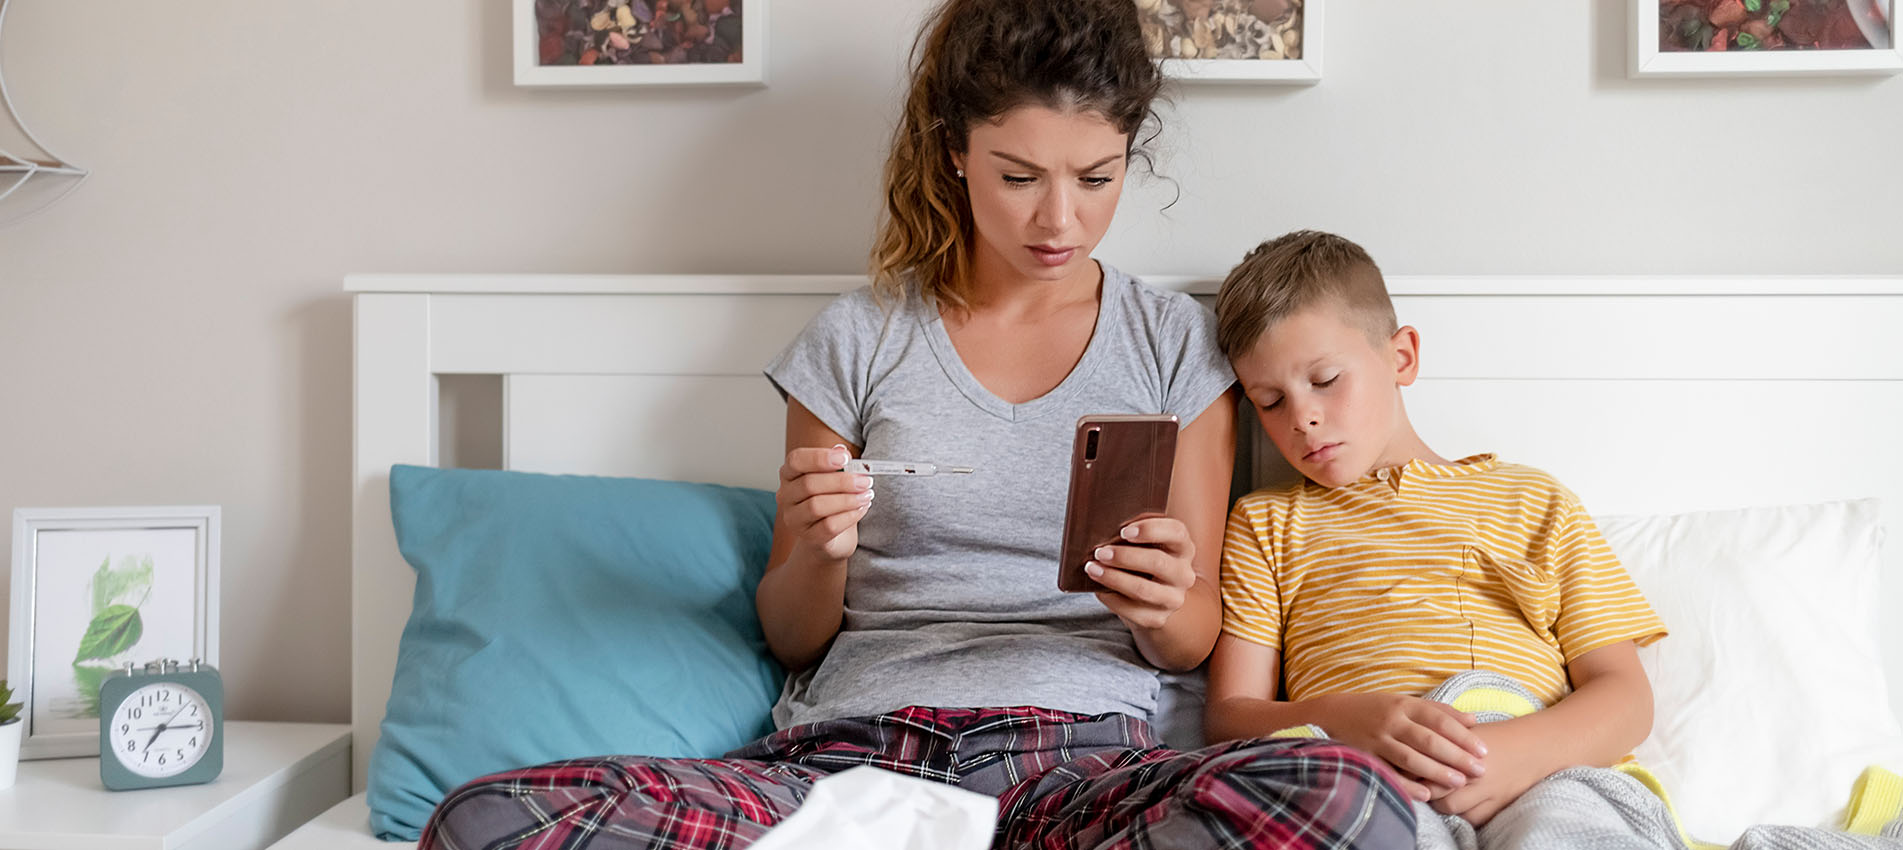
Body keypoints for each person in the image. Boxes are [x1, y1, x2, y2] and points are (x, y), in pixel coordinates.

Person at [419, 3, 1416, 848]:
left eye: (1095, 177)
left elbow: (1195, 639)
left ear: (1127, 158)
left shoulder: (1175, 344)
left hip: (1073, 771)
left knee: (1348, 797)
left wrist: (1161, 604)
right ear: (956, 155)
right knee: (485, 818)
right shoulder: (855, 340)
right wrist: (817, 546)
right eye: (1018, 176)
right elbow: (794, 632)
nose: (1057, 220)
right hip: (846, 760)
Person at [1204, 229, 1669, 829]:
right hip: (1363, 771)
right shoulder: (1265, 524)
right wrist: (1349, 722)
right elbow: (1228, 717)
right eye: (1269, 401)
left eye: (1324, 380)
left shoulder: (1532, 499)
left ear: (1402, 357)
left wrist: (1510, 758)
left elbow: (1625, 698)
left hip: (1541, 766)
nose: (1303, 418)